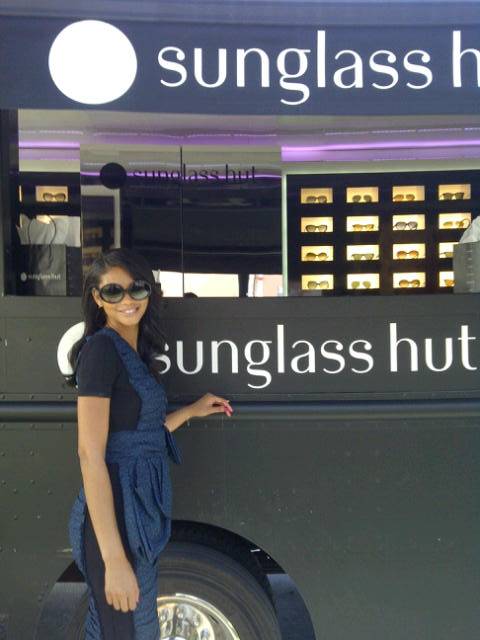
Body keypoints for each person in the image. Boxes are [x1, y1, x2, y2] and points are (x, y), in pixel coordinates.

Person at [66, 247, 233, 639]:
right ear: (97, 298)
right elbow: (90, 455)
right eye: (113, 291)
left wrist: (190, 411)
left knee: (132, 629)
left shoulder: (132, 352)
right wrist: (113, 560)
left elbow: (139, 437)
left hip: (135, 516)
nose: (127, 300)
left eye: (136, 289)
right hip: (114, 520)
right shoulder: (101, 352)